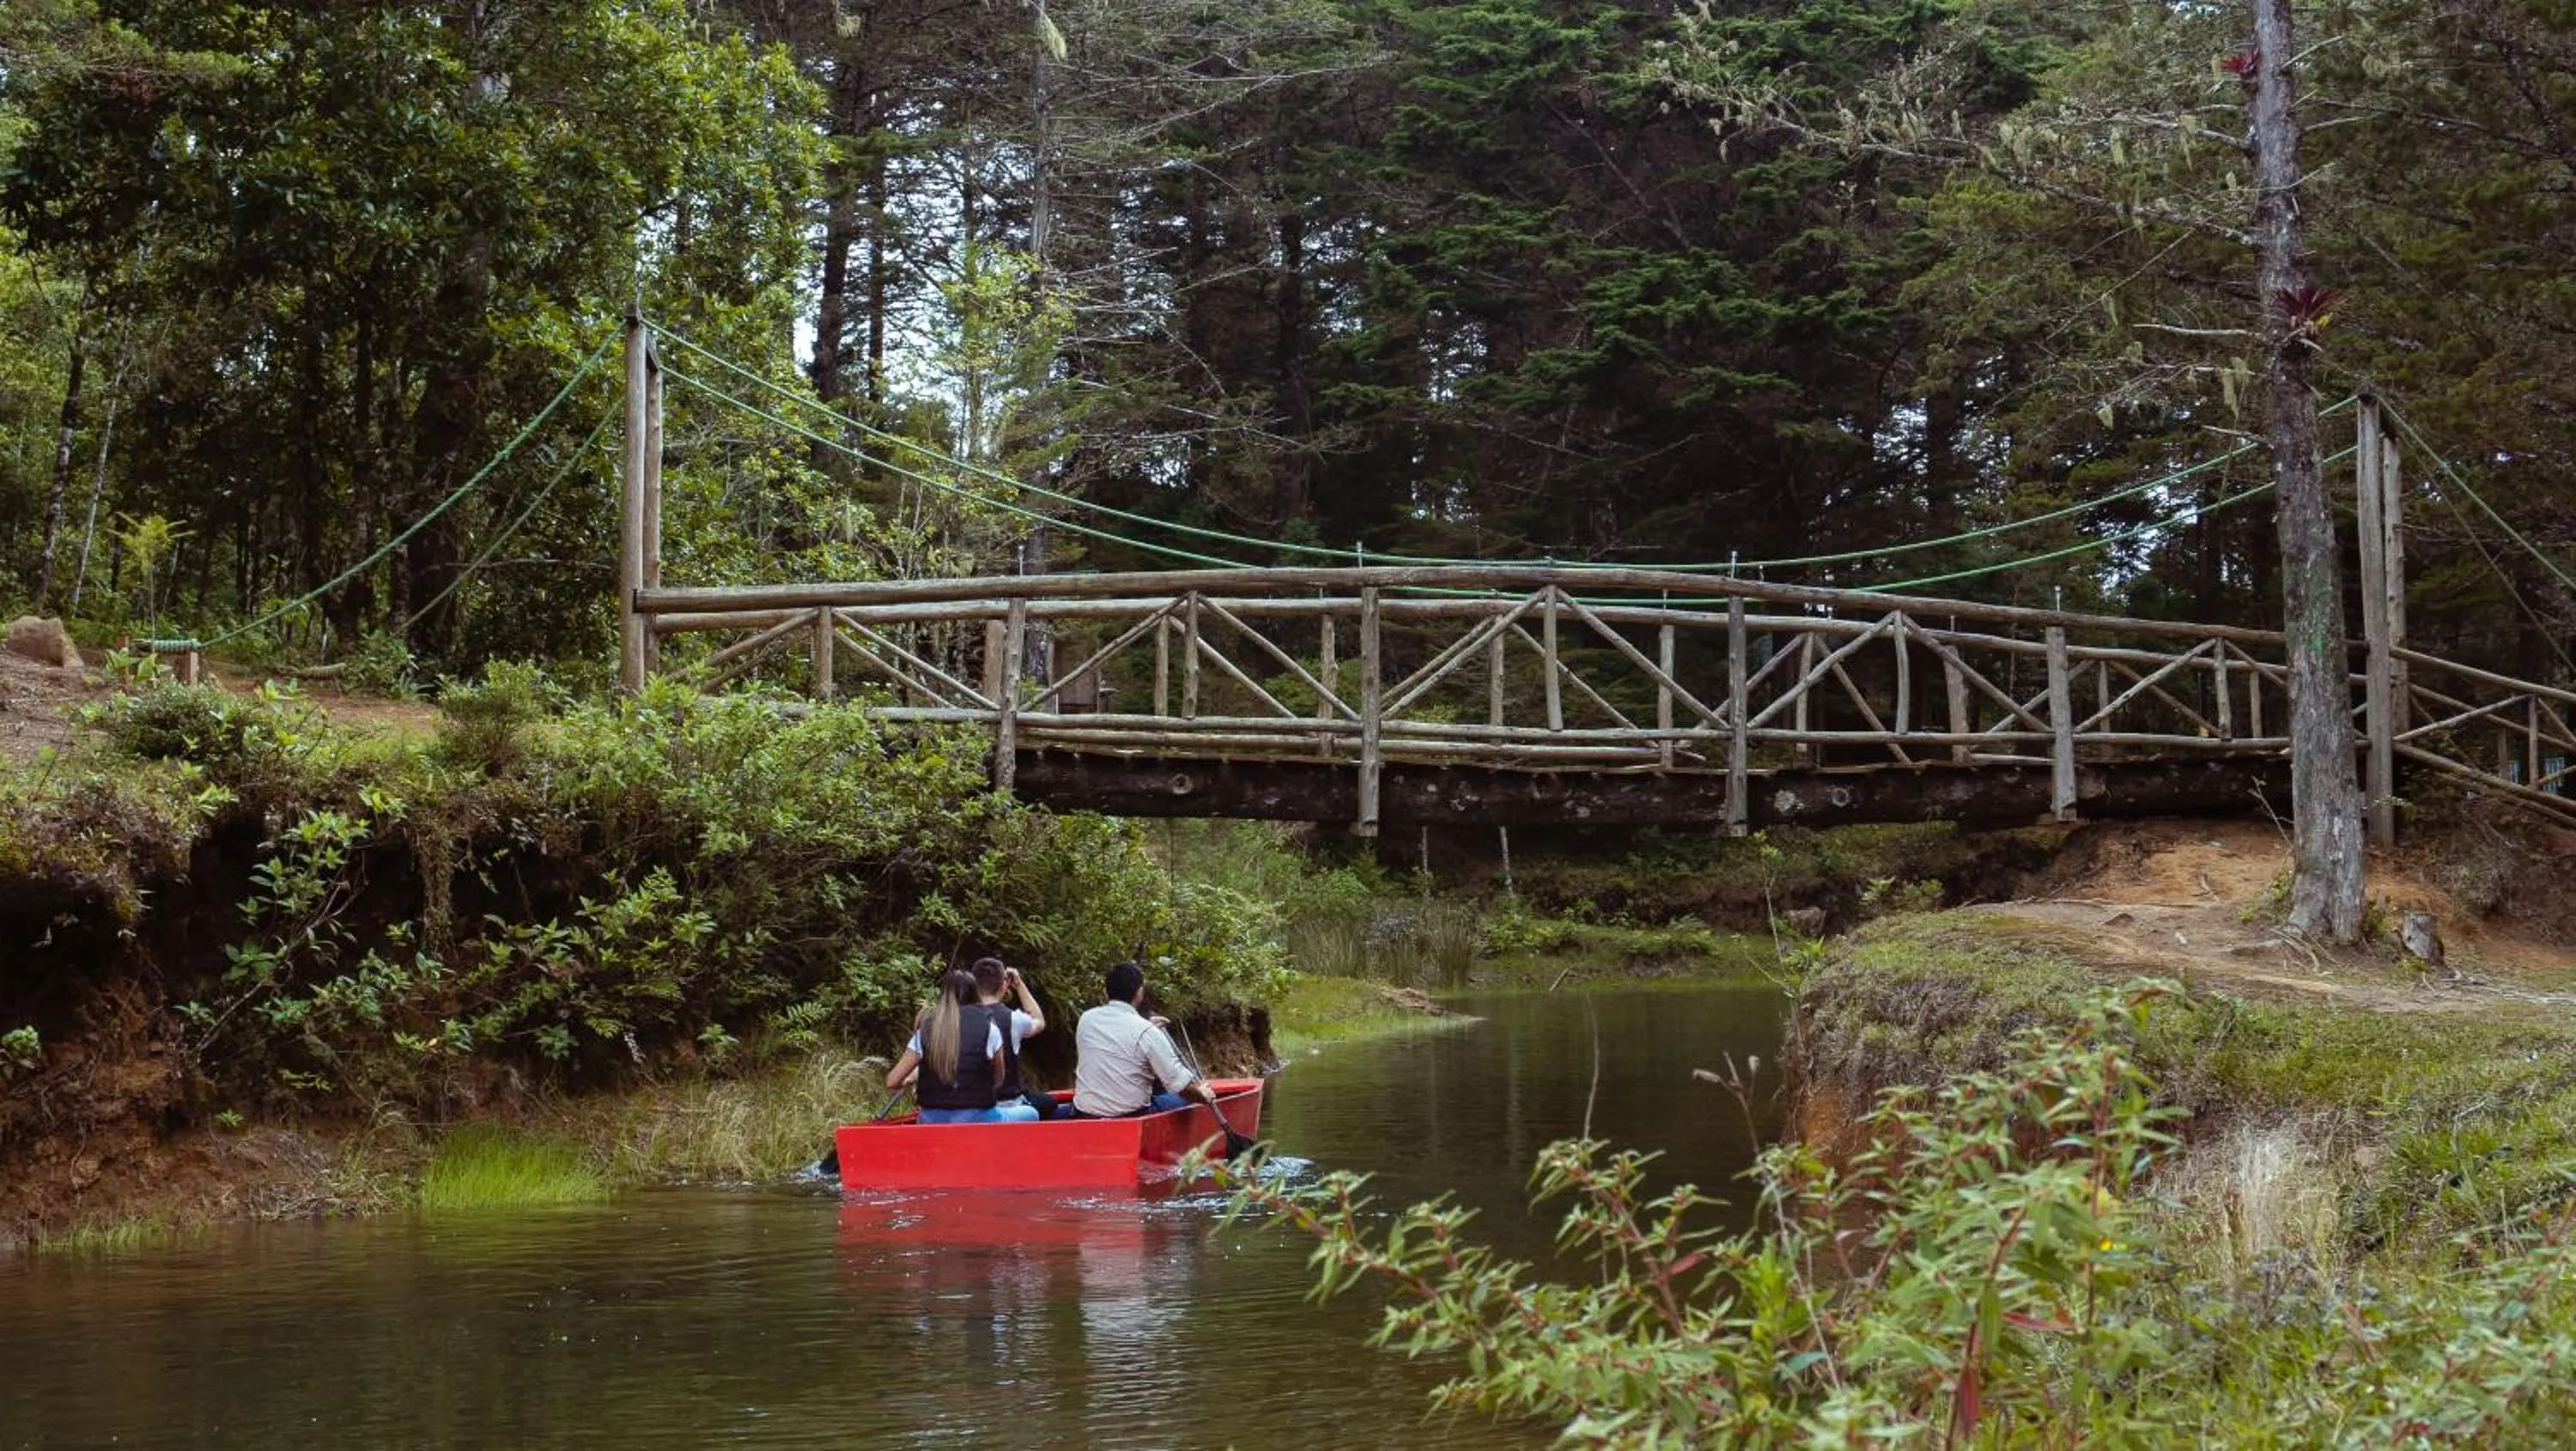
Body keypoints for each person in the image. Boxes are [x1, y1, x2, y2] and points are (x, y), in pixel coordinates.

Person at [1066, 960, 1224, 1119]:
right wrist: (1203, 1094)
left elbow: (1117, 1039)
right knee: (1184, 1093)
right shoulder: (1147, 1032)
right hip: (1130, 1117)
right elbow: (1181, 1087)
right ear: (1139, 992)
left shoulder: (1086, 1019)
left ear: (1105, 992)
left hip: (1084, 1113)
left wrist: (1148, 1028)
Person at [885, 968, 1038, 1124]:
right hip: (979, 1117)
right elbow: (998, 1080)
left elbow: (892, 1082)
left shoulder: (926, 1029)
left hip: (931, 1119)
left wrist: (907, 1081)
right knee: (1032, 1113)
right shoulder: (989, 1027)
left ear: (943, 995)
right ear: (975, 993)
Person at [969, 956, 1056, 1120]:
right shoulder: (1014, 1020)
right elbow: (1039, 1021)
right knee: (1049, 1104)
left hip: (971, 1105)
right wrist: (1019, 985)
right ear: (1004, 985)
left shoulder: (960, 1018)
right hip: (1007, 1104)